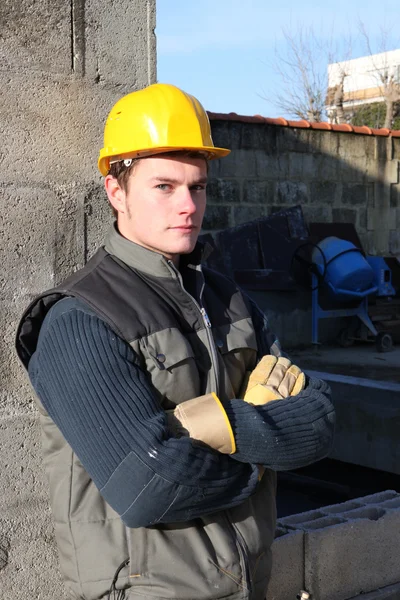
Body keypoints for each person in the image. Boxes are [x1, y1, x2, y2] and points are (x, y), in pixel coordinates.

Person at [15, 83, 335, 600]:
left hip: (251, 582)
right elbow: (148, 487)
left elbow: (319, 420)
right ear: (115, 190)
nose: (189, 205)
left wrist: (225, 426)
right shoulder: (80, 318)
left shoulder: (230, 301)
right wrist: (263, 450)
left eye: (199, 186)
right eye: (164, 186)